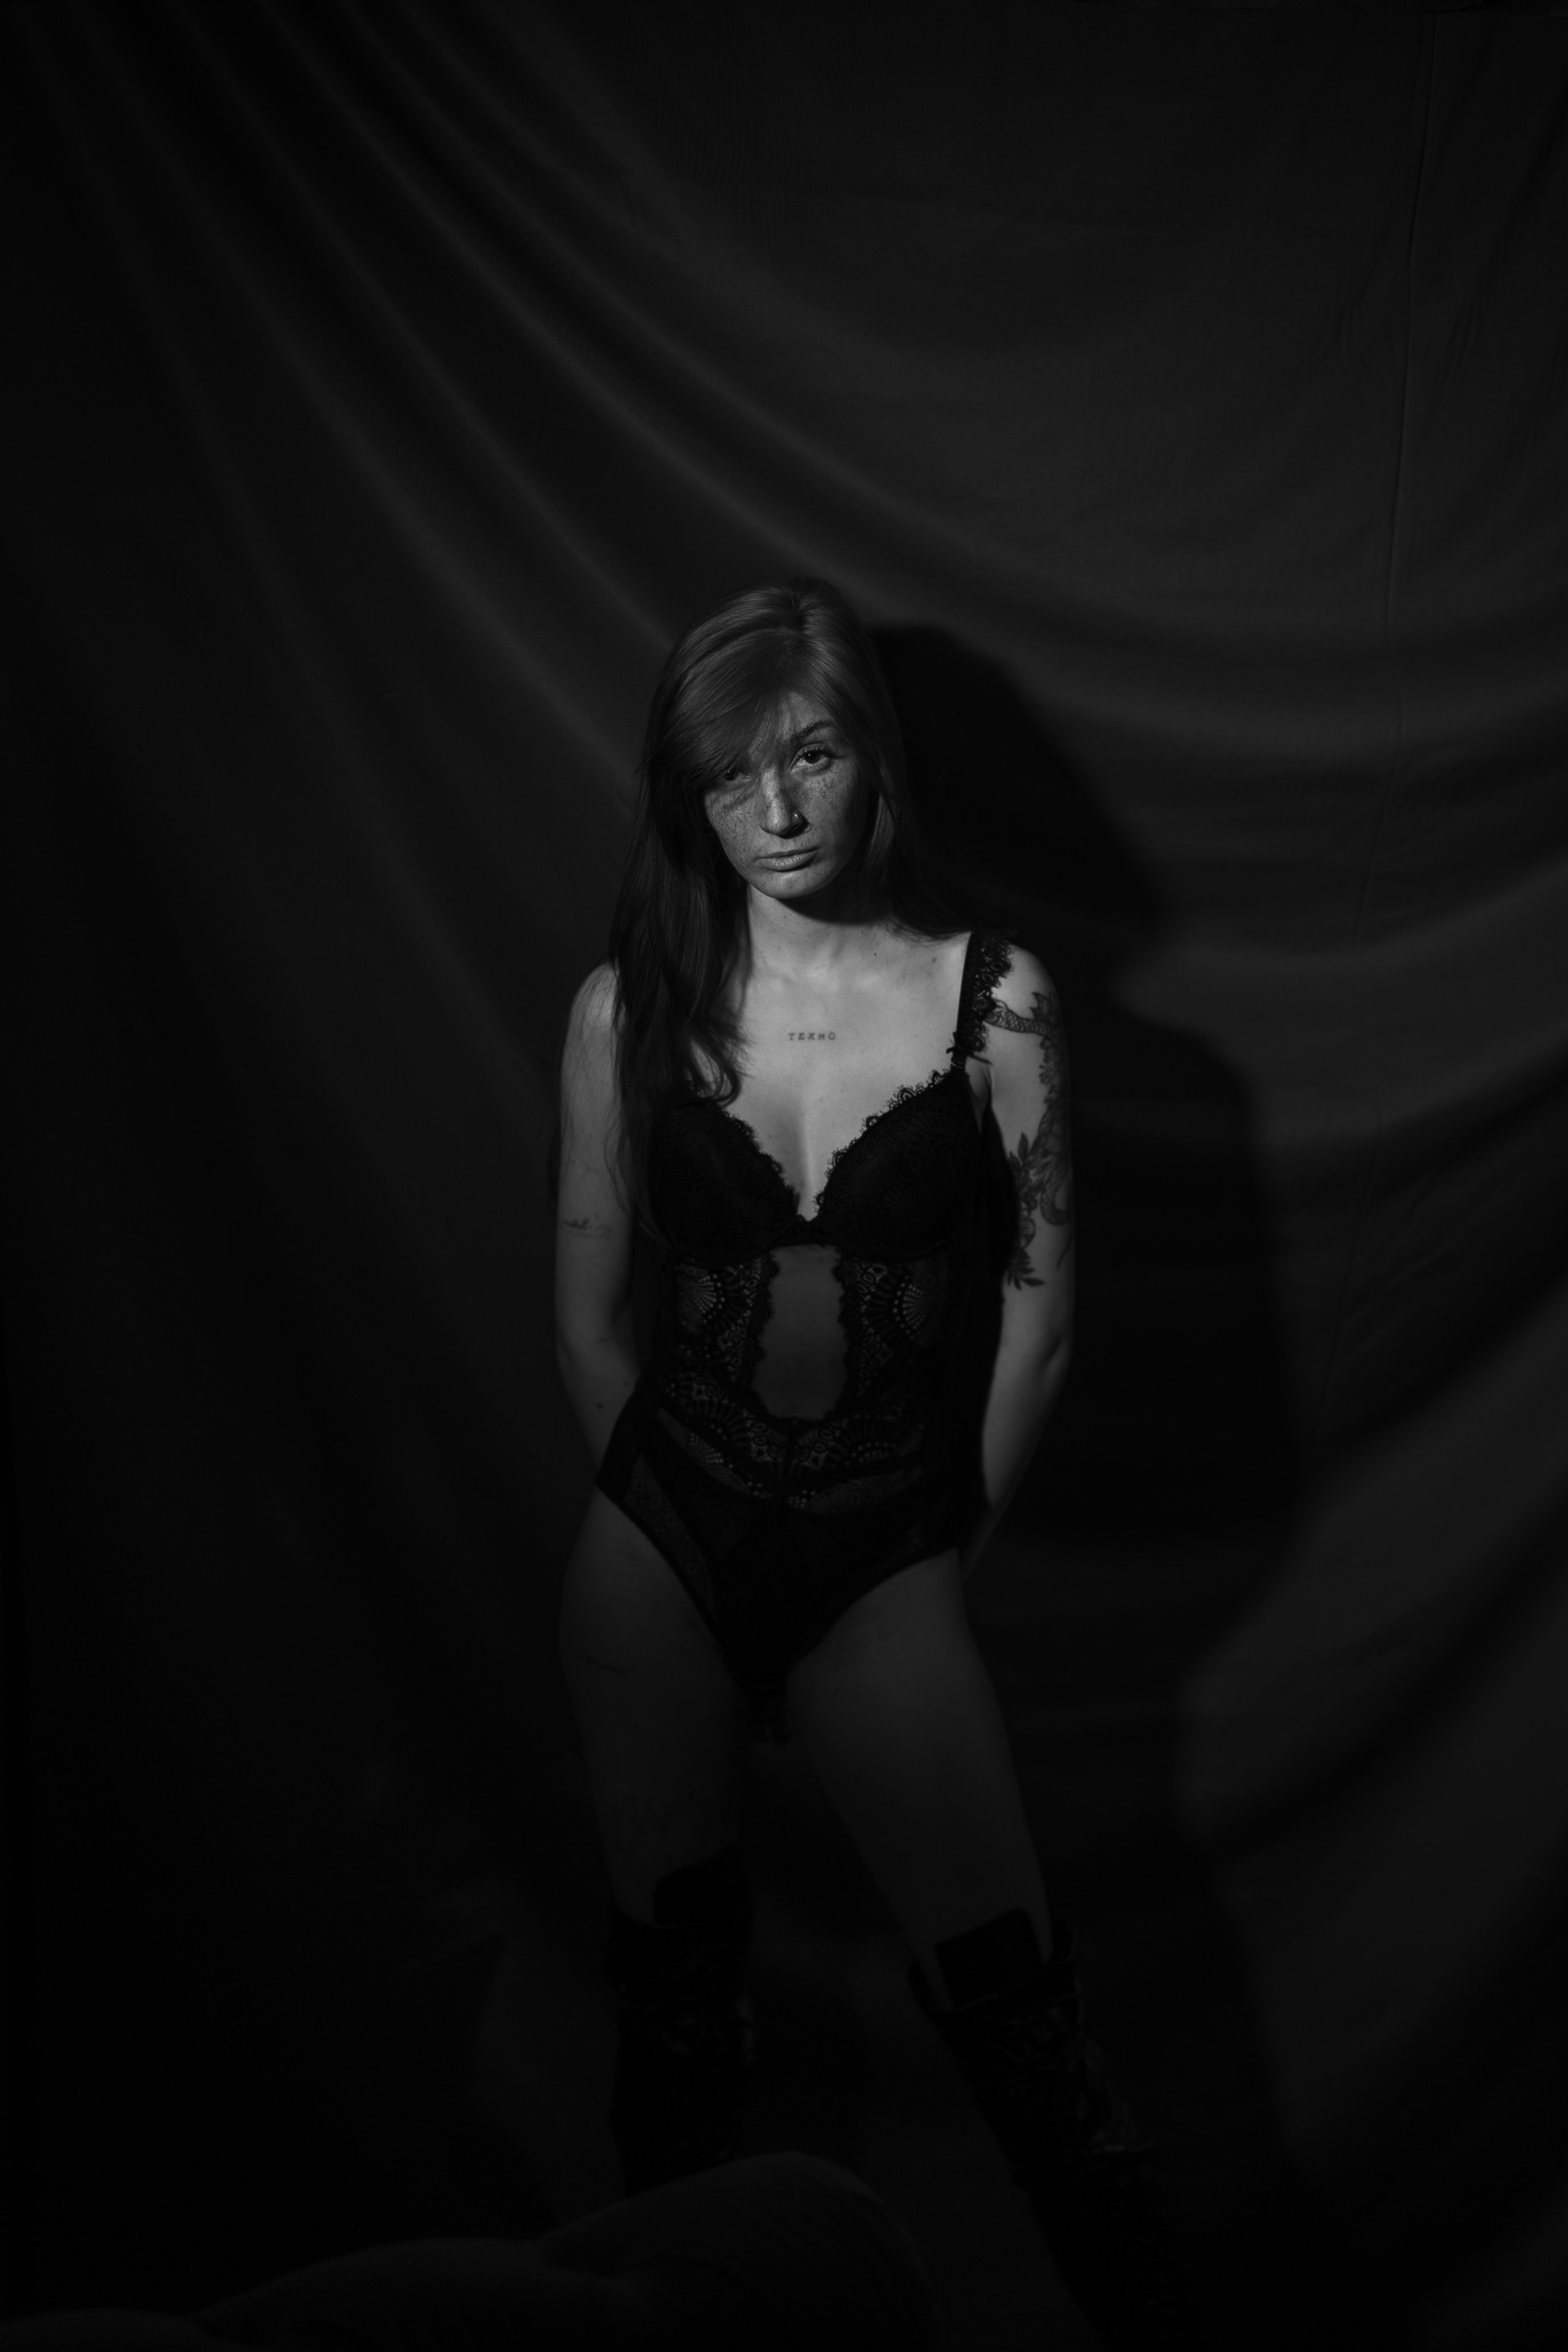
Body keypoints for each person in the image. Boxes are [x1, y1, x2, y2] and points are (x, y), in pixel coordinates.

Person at [554, 577, 1200, 2347]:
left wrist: (926, 1563)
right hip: (657, 1549)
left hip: (885, 1546)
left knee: (1027, 2039)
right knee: (675, 2038)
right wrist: (690, 1540)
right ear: (688, 794)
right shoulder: (627, 1013)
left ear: (872, 764)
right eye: (730, 776)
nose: (774, 811)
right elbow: (589, 1328)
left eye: (812, 758)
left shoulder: (997, 1005)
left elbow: (1038, 1327)